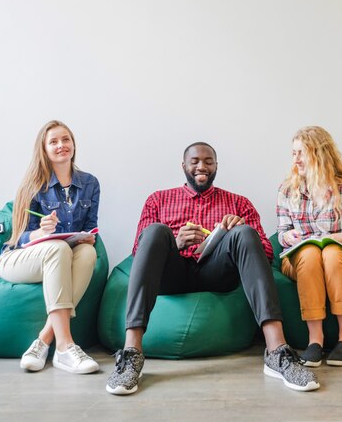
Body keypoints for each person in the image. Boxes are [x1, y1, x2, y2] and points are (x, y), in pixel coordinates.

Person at [106, 142, 320, 395]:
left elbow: (266, 252)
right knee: (155, 231)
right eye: (195, 161)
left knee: (245, 232)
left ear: (216, 166)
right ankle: (132, 354)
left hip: (216, 273)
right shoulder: (158, 199)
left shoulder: (238, 202)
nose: (201, 166)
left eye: (208, 161)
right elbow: (138, 251)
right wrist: (175, 243)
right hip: (171, 275)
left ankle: (277, 351)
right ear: (183, 166)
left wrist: (235, 232)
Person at [0, 120, 100, 374]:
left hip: (61, 254)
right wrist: (39, 233)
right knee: (58, 248)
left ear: (74, 144)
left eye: (66, 139)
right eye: (53, 141)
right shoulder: (32, 185)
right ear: (44, 149)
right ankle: (65, 346)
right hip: (17, 259)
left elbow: (91, 225)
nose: (61, 145)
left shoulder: (90, 184)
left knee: (87, 253)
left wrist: (88, 237)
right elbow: (18, 239)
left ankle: (43, 339)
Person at [276, 126, 342, 367]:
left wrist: (341, 238)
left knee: (330, 253)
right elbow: (281, 234)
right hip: (301, 259)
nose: (295, 160)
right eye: (293, 153)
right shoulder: (288, 190)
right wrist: (292, 237)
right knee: (309, 253)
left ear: (319, 154)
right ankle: (314, 340)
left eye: (301, 153)